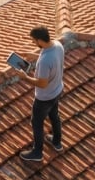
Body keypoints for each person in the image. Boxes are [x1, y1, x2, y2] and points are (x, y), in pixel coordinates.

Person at [17, 26, 64, 161]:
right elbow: (51, 60)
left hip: (45, 97)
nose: (33, 42)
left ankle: (37, 152)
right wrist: (33, 56)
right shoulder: (57, 45)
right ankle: (57, 142)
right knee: (54, 116)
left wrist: (25, 77)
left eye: (33, 40)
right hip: (57, 90)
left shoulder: (45, 61)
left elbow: (42, 83)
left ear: (39, 40)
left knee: (36, 123)